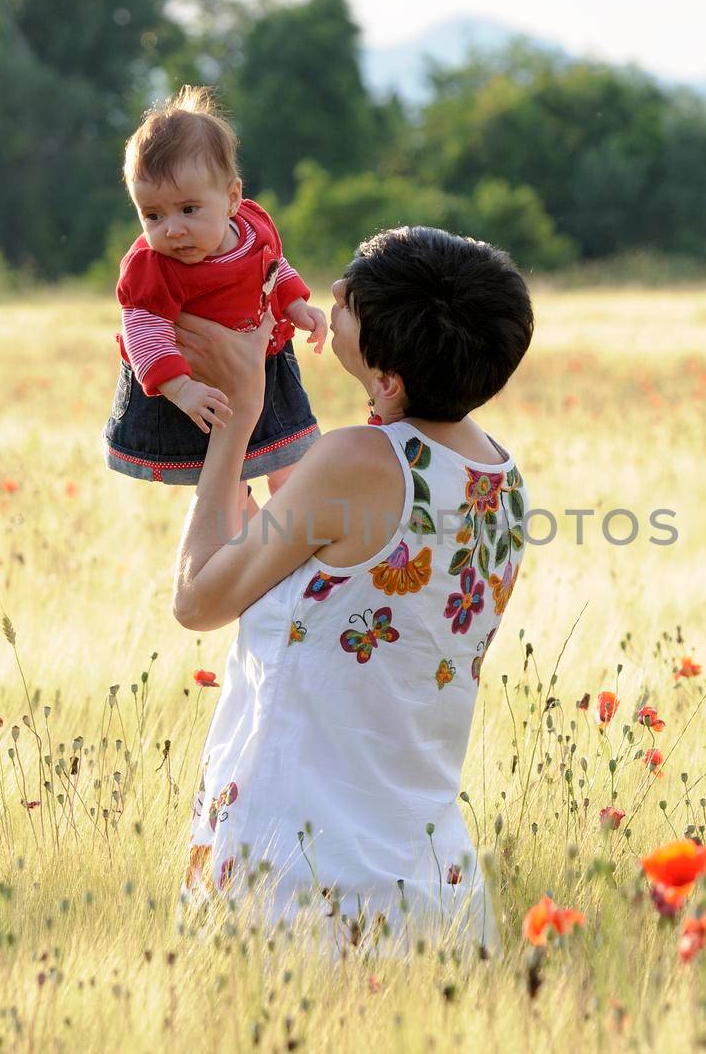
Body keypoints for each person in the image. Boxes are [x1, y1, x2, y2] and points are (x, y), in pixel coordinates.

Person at [170, 226, 533, 955]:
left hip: (301, 864)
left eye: (353, 299)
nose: (334, 292)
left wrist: (238, 415)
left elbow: (197, 599)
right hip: (431, 876)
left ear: (389, 379)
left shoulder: (355, 462)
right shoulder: (502, 478)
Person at [103, 86, 326, 499]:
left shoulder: (254, 226)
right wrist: (181, 388)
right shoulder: (152, 266)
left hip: (265, 365)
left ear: (232, 199)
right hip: (192, 385)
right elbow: (143, 331)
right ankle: (242, 542)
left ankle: (290, 542)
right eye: (152, 215)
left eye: (188, 209)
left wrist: (295, 303)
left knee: (293, 465)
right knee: (225, 483)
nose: (172, 229)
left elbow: (274, 265)